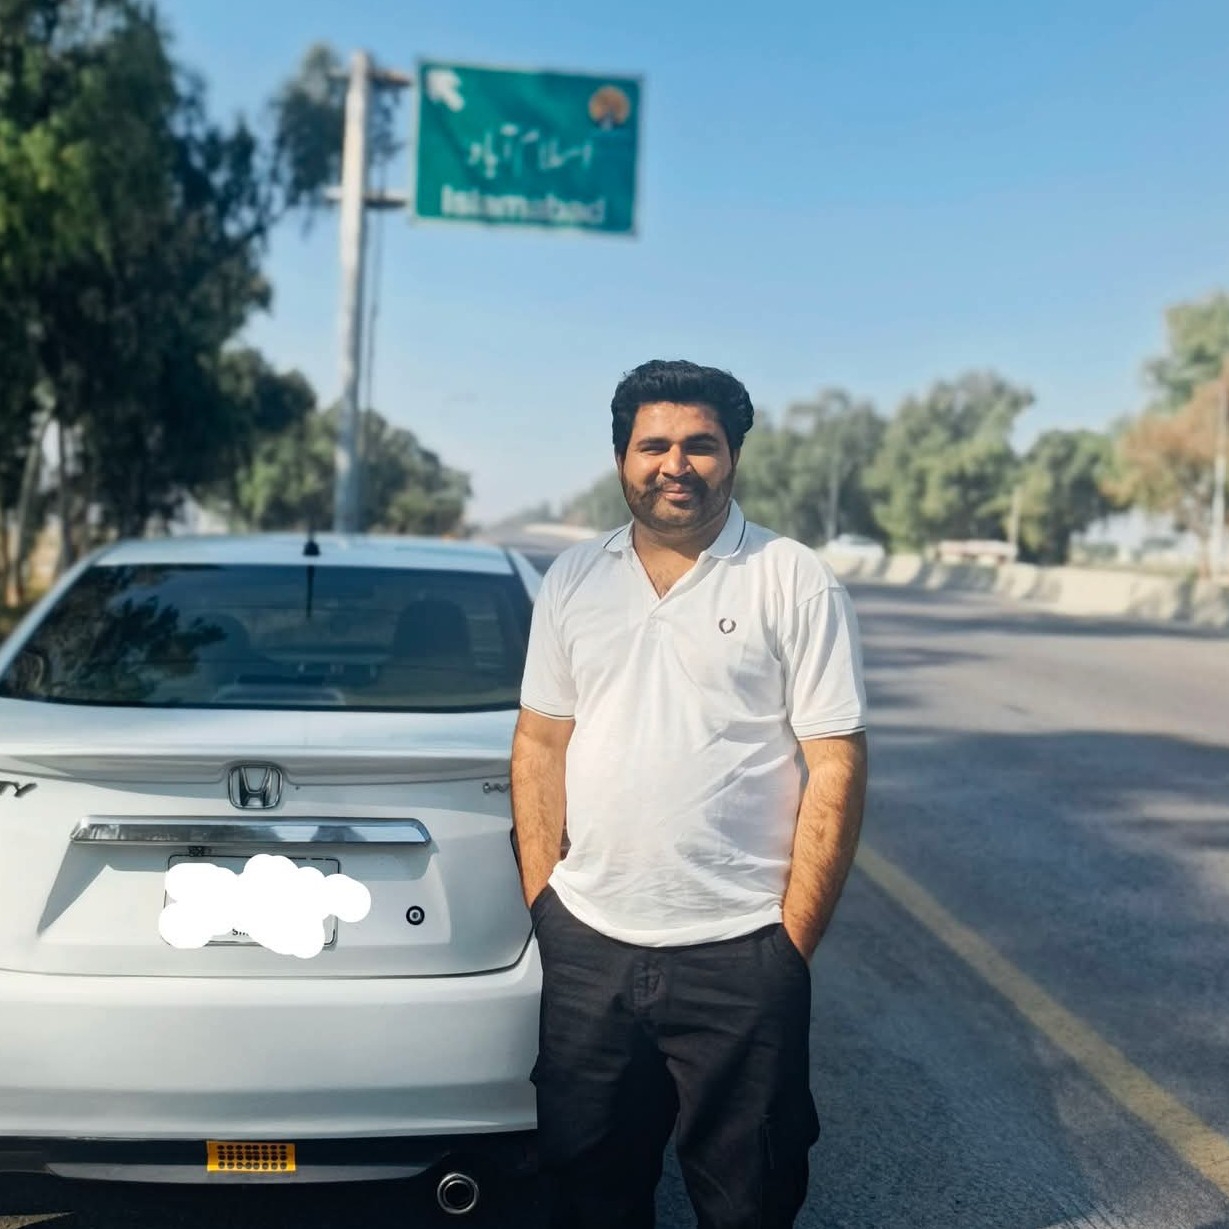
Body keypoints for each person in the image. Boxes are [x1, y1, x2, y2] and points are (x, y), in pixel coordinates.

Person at [511, 359, 868, 1229]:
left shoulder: (793, 578)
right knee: (587, 1191)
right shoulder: (573, 580)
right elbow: (539, 744)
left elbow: (835, 763)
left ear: (732, 455)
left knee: (749, 1199)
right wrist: (546, 905)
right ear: (621, 458)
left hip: (742, 949)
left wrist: (787, 946)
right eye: (654, 445)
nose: (676, 464)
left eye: (700, 444)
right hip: (589, 946)